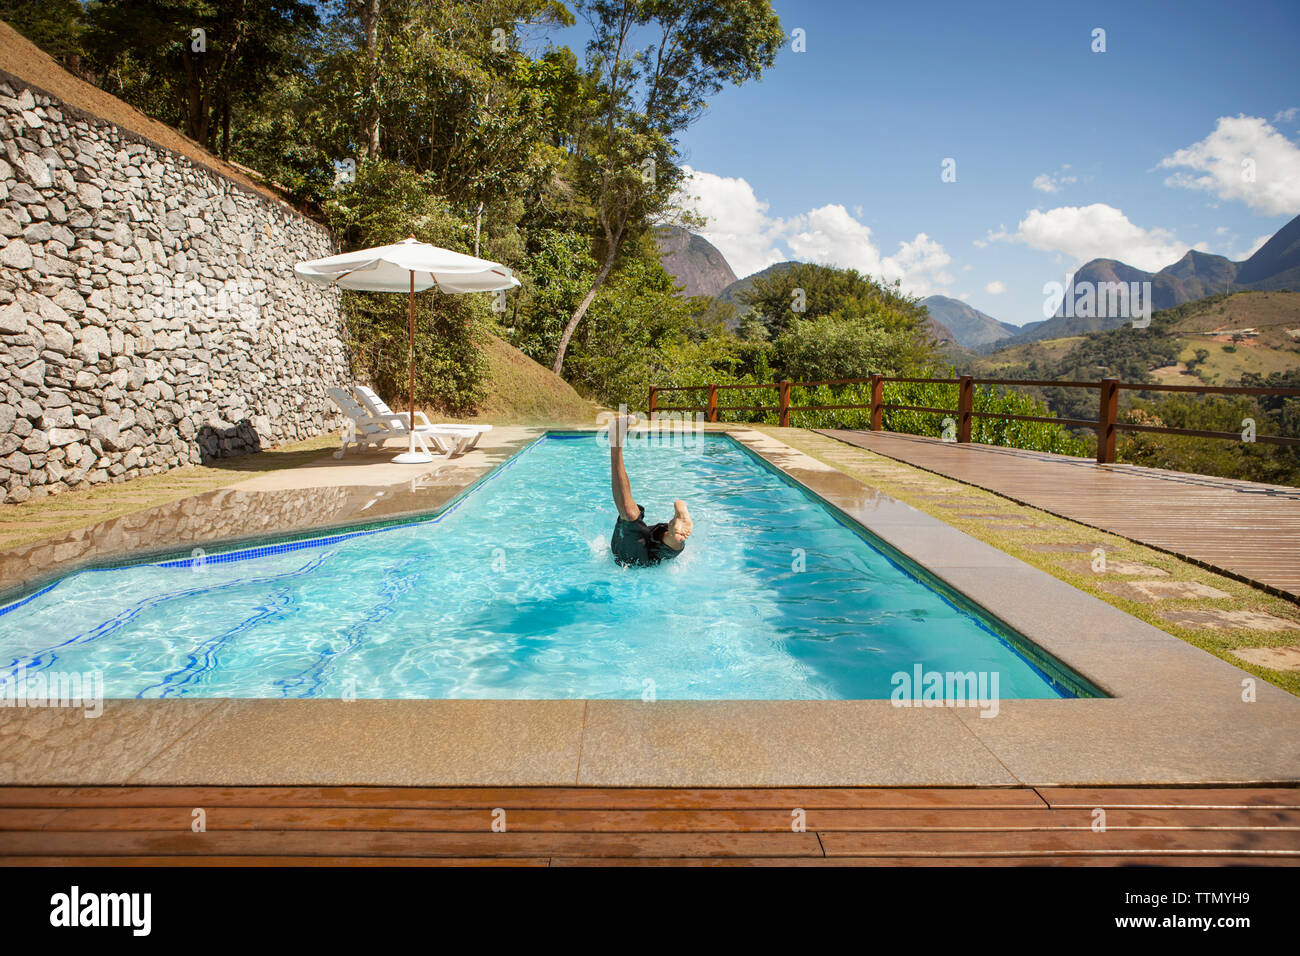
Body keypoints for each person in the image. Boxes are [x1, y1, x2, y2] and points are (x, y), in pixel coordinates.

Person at [607, 415, 692, 567]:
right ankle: (673, 532)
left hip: (632, 559)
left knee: (632, 517)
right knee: (669, 541)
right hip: (641, 555)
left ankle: (674, 532)